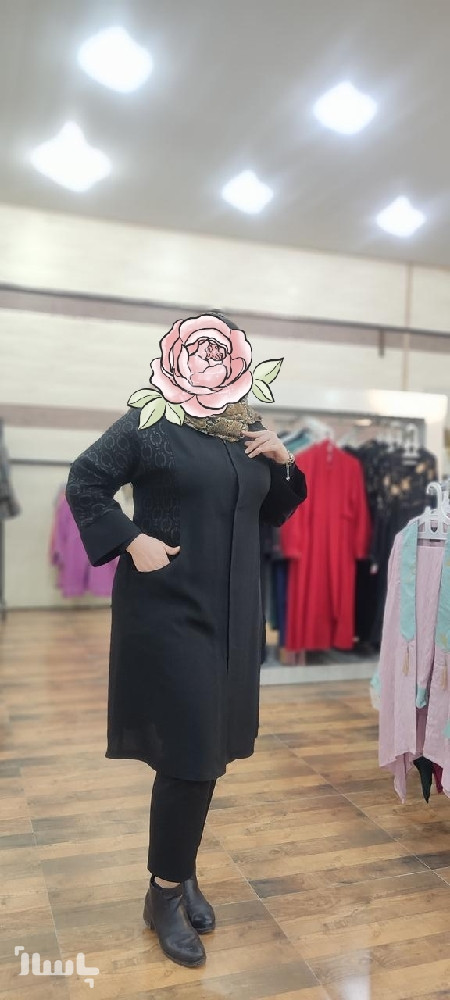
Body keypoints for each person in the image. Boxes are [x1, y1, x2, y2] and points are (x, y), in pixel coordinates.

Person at [65, 311, 307, 968]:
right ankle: (163, 892)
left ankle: (182, 870)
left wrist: (285, 462)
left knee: (210, 749)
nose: (211, 366)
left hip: (233, 611)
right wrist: (130, 539)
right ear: (178, 361)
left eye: (222, 357)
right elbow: (86, 479)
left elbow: (273, 509)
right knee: (189, 754)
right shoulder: (150, 422)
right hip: (170, 608)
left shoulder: (245, 428)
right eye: (199, 355)